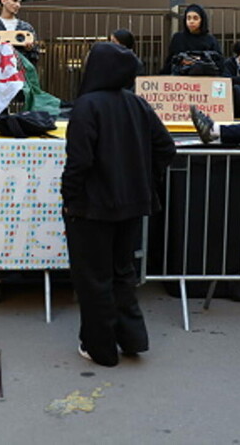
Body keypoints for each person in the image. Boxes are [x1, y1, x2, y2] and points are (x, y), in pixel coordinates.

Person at [62, 42, 177, 367]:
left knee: (93, 278)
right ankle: (132, 339)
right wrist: (144, 179)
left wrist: (69, 198)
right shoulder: (138, 104)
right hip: (132, 205)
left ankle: (100, 348)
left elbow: (79, 161)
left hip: (92, 207)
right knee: (122, 273)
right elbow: (166, 148)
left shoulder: (86, 106)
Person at [159, 3, 221, 74]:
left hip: (205, 76)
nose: (191, 21)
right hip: (181, 76)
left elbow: (218, 62)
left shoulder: (211, 40)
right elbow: (170, 61)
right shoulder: (178, 38)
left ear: (202, 20)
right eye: (188, 18)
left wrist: (200, 59)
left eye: (195, 18)